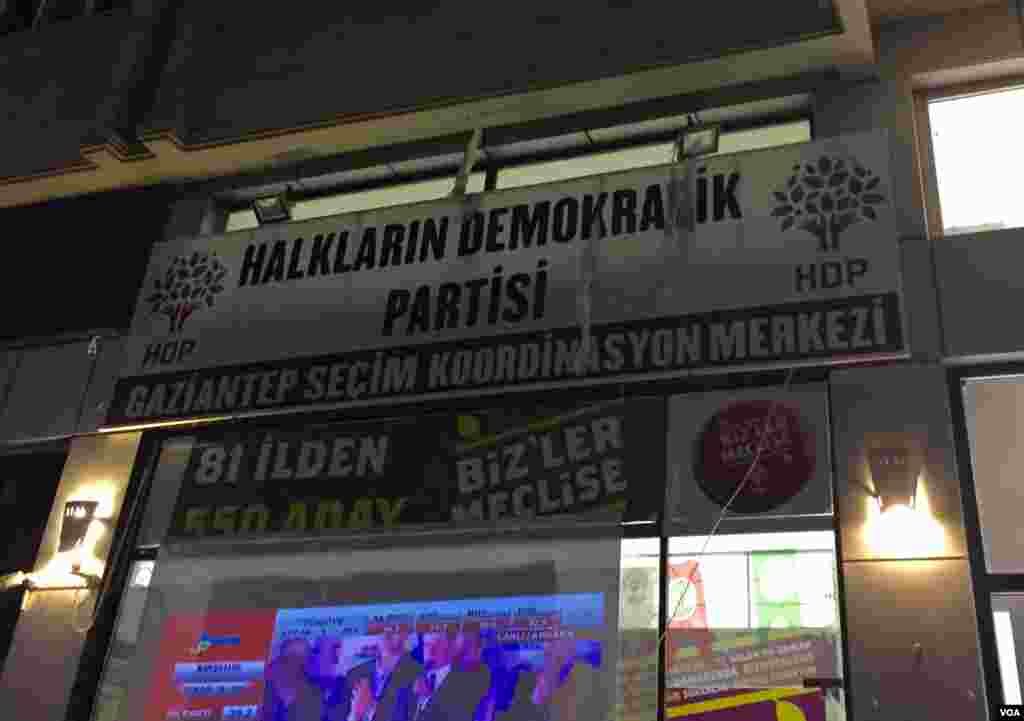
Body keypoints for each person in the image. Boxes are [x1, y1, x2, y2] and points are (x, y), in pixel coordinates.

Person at [392, 630, 490, 721]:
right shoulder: (411, 676)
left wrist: (426, 698)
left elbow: (459, 715)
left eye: (435, 642)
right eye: (426, 644)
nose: (430, 648)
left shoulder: (469, 679)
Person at [343, 628, 423, 721]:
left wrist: (369, 710)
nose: (387, 629)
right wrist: (354, 716)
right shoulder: (354, 674)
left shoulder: (418, 674)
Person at [263, 637, 323, 721]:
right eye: (293, 656)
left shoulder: (314, 693)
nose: (299, 663)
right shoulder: (264, 685)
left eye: (304, 658)